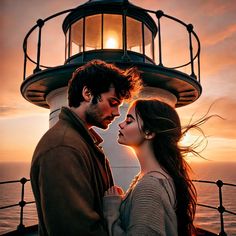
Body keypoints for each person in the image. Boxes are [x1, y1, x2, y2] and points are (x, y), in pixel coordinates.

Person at [30, 59, 141, 236]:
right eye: (112, 102)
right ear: (88, 93)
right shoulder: (63, 148)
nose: (116, 113)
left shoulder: (80, 141)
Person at [103, 99, 199, 236]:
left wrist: (111, 213)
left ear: (149, 133)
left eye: (129, 121)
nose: (121, 124)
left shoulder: (149, 186)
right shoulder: (155, 177)